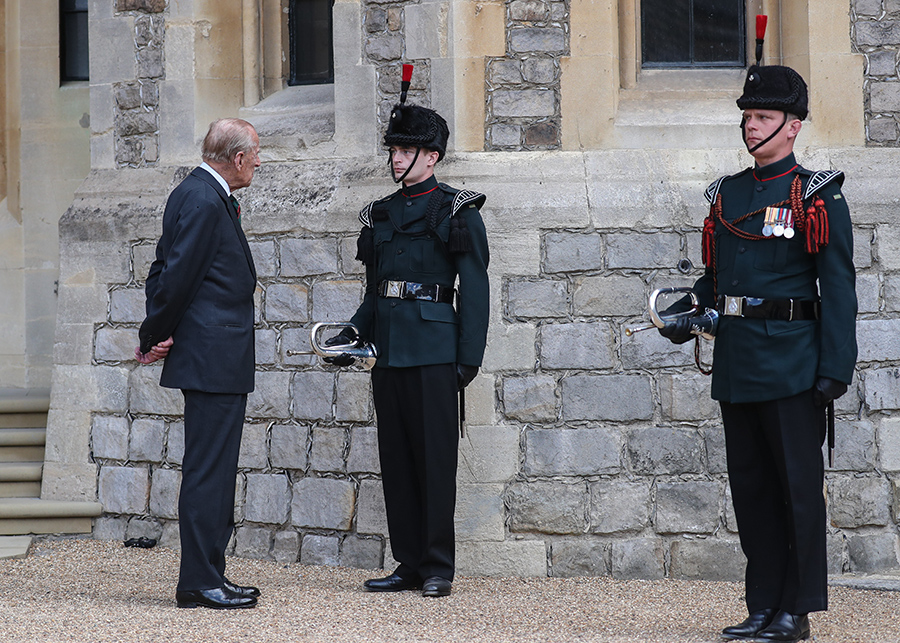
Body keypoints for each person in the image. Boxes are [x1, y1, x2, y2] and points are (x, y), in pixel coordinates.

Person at [658, 63, 857, 641]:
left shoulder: (817, 195)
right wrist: (685, 315)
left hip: (794, 362)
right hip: (739, 361)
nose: (751, 127)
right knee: (751, 491)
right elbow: (715, 279)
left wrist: (834, 370)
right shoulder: (728, 193)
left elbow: (838, 289)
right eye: (747, 117)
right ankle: (763, 603)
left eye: (764, 117)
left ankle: (796, 611)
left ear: (793, 126)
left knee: (796, 491)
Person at [334, 68, 489, 598]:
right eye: (395, 150)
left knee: (434, 460)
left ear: (432, 157)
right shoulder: (380, 213)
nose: (397, 158)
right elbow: (376, 291)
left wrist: (466, 361)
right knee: (397, 460)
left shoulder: (457, 209)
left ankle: (438, 565)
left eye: (407, 150)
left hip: (435, 350)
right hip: (389, 353)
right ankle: (408, 562)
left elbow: (476, 289)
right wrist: (351, 336)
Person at [135, 118, 262, 610]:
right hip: (213, 356)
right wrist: (153, 334)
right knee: (210, 469)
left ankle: (211, 573)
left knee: (214, 466)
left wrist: (158, 327)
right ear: (235, 158)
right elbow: (175, 277)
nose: (258, 162)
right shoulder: (205, 199)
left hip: (217, 356)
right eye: (255, 154)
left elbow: (161, 268)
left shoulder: (193, 193)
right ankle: (198, 581)